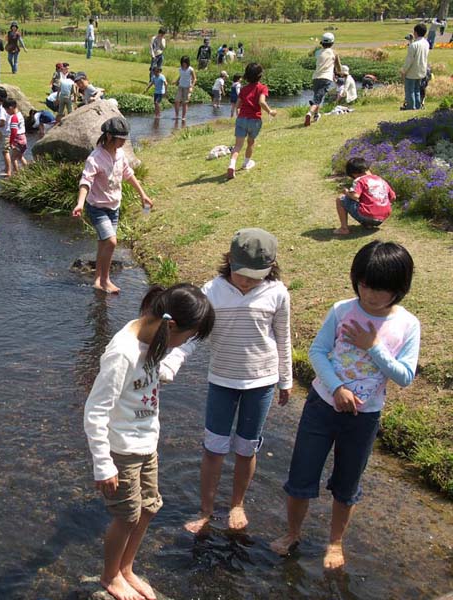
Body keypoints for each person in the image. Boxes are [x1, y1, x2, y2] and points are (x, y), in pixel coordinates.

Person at [271, 241, 419, 571]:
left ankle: (335, 542)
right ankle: (292, 533)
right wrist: (336, 387)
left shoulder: (407, 325)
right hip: (322, 406)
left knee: (347, 484)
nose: (370, 294)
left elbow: (406, 376)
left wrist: (375, 346)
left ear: (398, 289)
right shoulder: (342, 310)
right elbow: (317, 352)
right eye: (364, 285)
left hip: (363, 418)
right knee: (301, 476)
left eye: (379, 289)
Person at [84, 283, 214, 600]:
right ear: (171, 325)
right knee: (126, 516)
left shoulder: (154, 337)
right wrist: (103, 464)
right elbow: (94, 412)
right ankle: (109, 575)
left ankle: (126, 568)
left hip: (146, 443)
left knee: (149, 508)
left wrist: (170, 363)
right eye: (185, 338)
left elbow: (150, 377)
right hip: (122, 450)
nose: (181, 345)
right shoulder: (122, 352)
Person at [180, 228, 292, 534]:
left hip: (262, 382)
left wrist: (285, 380)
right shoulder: (212, 290)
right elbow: (195, 334)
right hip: (221, 380)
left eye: (255, 276)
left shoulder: (278, 292)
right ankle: (205, 510)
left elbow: (283, 338)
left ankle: (237, 503)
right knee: (214, 447)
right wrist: (174, 357)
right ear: (229, 261)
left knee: (246, 447)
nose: (247, 282)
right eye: (242, 274)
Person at [72, 117, 153, 294]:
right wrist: (80, 203)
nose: (124, 141)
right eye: (120, 138)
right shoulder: (95, 158)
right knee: (111, 241)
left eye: (125, 138)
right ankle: (105, 280)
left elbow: (128, 174)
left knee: (104, 244)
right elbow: (85, 182)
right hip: (97, 208)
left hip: (114, 206)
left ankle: (98, 280)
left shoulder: (120, 154)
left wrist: (143, 195)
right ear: (109, 136)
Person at [226, 64, 276, 179]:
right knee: (251, 142)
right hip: (254, 120)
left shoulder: (243, 89)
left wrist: (239, 113)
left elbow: (238, 105)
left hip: (242, 119)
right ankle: (246, 163)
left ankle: (231, 165)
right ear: (260, 76)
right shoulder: (262, 88)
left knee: (237, 145)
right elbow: (262, 102)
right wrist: (270, 111)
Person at [334, 157, 395, 235]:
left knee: (340, 199)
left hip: (368, 215)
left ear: (354, 173)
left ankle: (344, 228)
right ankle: (369, 224)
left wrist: (346, 192)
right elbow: (393, 197)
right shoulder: (381, 180)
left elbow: (355, 196)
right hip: (383, 217)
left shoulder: (360, 180)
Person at [305, 32, 342, 126]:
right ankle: (309, 113)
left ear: (322, 42)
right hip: (326, 78)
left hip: (315, 77)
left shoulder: (317, 52)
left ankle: (316, 115)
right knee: (318, 99)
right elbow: (339, 67)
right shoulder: (334, 53)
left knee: (317, 96)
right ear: (332, 43)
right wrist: (339, 73)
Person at [401, 24, 429, 111]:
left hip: (412, 71)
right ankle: (417, 106)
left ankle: (411, 107)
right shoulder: (426, 43)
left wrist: (403, 70)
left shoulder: (413, 45)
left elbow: (409, 60)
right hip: (422, 70)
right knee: (417, 90)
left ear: (416, 32)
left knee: (410, 90)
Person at [4, 99, 28, 175]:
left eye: (6, 110)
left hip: (17, 139)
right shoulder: (20, 115)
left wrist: (11, 142)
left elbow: (14, 131)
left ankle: (16, 174)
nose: (6, 112)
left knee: (13, 158)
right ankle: (28, 171)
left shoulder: (14, 117)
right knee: (20, 156)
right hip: (23, 138)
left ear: (11, 108)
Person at [172, 56, 196, 122]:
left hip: (187, 87)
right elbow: (181, 76)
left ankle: (183, 117)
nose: (183, 64)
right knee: (176, 101)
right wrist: (176, 82)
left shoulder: (191, 69)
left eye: (185, 63)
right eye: (182, 63)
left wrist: (191, 87)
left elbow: (194, 79)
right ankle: (177, 115)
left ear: (187, 62)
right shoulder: (180, 69)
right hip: (180, 86)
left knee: (184, 103)